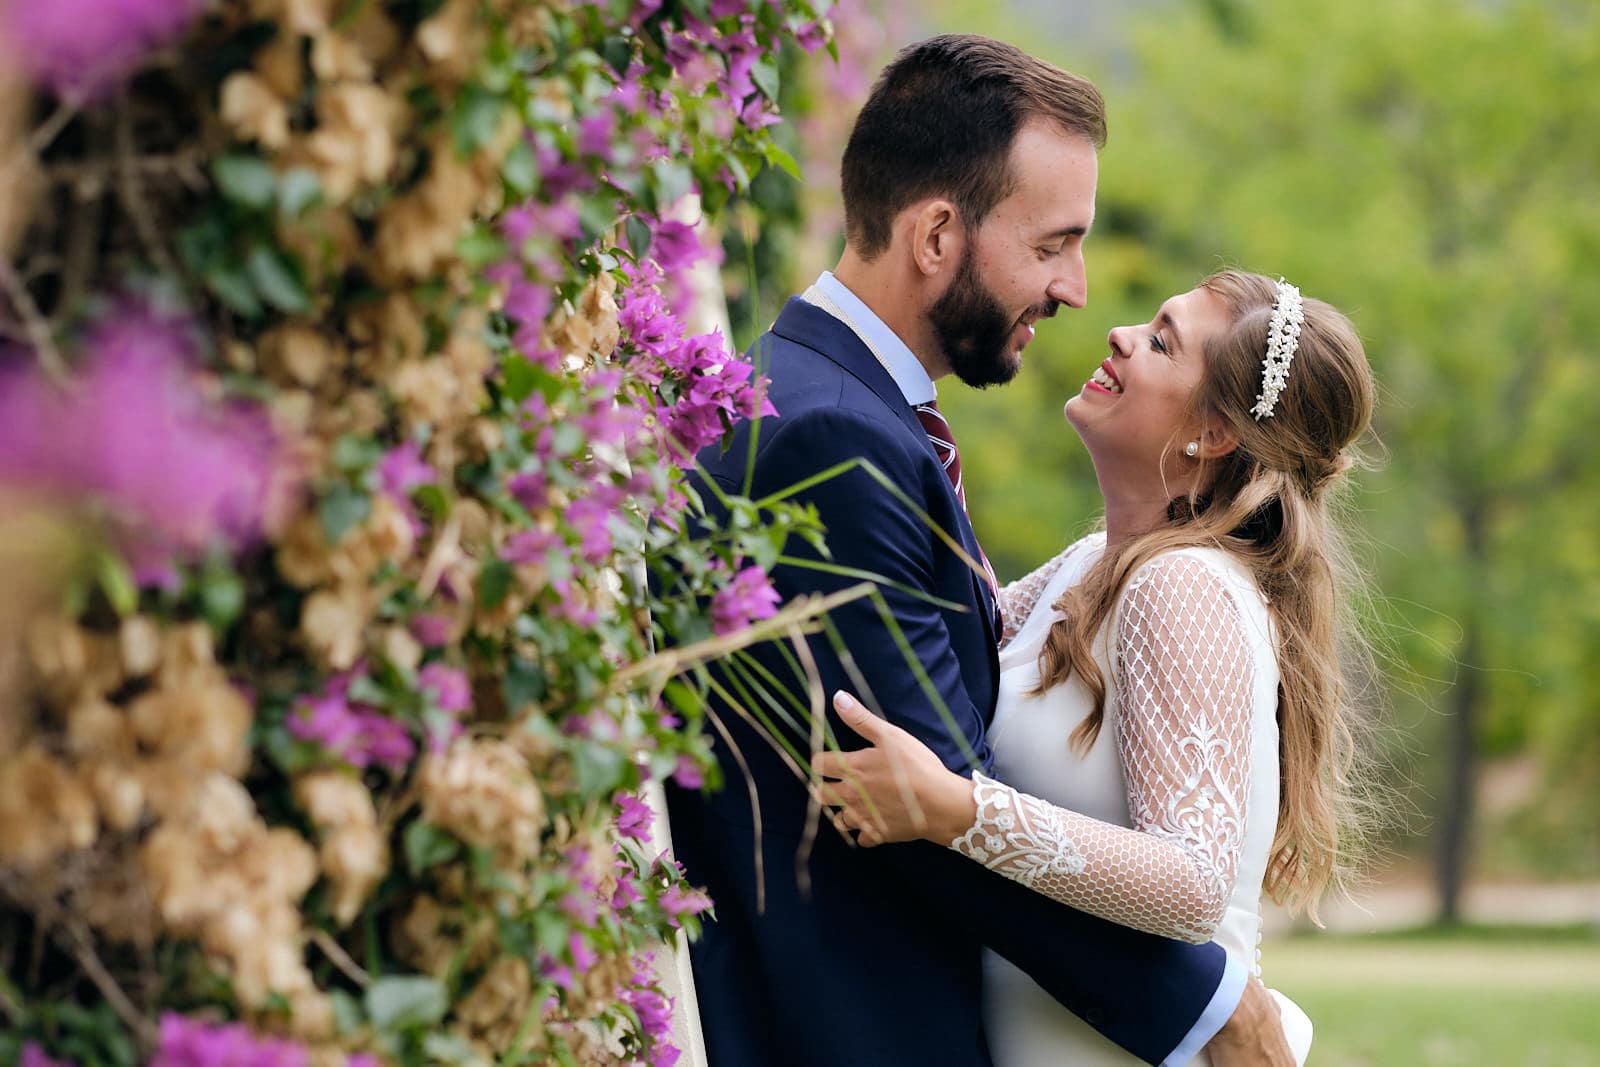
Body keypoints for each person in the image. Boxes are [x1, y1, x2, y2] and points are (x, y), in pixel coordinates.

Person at [664, 34, 1292, 1067]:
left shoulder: (840, 409)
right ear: (937, 236)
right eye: (1051, 245)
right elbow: (920, 807)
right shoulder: (832, 440)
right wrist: (1211, 1009)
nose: (1080, 290)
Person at [815, 270, 1376, 1065]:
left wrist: (959, 810)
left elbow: (1193, 880)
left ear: (1212, 432)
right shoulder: (1090, 564)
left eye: (1161, 341)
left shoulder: (1182, 586)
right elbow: (943, 643)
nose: (1120, 334)